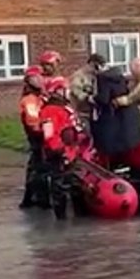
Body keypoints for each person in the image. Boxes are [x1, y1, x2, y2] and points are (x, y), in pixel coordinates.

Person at [38, 77, 86, 217]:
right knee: (60, 184)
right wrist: (59, 151)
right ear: (57, 91)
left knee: (75, 183)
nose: (68, 91)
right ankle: (61, 216)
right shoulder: (49, 111)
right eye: (65, 89)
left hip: (72, 151)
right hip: (59, 154)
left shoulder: (65, 107)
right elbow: (49, 135)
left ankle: (80, 214)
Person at [17, 65, 47, 209]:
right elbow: (33, 120)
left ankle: (29, 199)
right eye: (37, 77)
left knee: (35, 166)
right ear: (29, 80)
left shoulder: (38, 96)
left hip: (40, 135)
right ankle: (40, 200)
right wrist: (44, 131)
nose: (40, 79)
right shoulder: (30, 99)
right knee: (39, 167)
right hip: (37, 136)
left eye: (41, 76)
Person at [68, 53, 107, 120]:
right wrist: (87, 98)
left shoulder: (95, 76)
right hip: (81, 113)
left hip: (94, 114)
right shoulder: (79, 75)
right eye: (97, 67)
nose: (98, 70)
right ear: (91, 64)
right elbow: (75, 90)